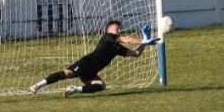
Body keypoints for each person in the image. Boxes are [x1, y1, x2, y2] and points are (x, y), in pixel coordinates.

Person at [28, 20, 158, 98]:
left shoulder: (118, 47)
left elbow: (136, 53)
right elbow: (127, 39)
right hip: (86, 63)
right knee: (67, 73)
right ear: (109, 29)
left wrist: (144, 43)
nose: (119, 30)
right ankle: (38, 85)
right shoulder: (108, 37)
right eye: (116, 28)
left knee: (101, 85)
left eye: (120, 29)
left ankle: (74, 90)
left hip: (92, 72)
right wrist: (144, 40)